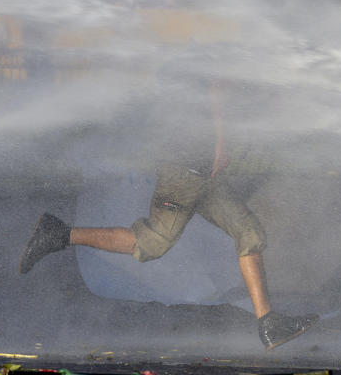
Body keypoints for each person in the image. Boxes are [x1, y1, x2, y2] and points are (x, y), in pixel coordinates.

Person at [19, 73, 319, 351]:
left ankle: (269, 325)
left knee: (249, 233)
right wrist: (219, 144)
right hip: (187, 170)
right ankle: (58, 233)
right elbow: (214, 90)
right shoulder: (215, 57)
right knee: (152, 241)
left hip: (203, 175)